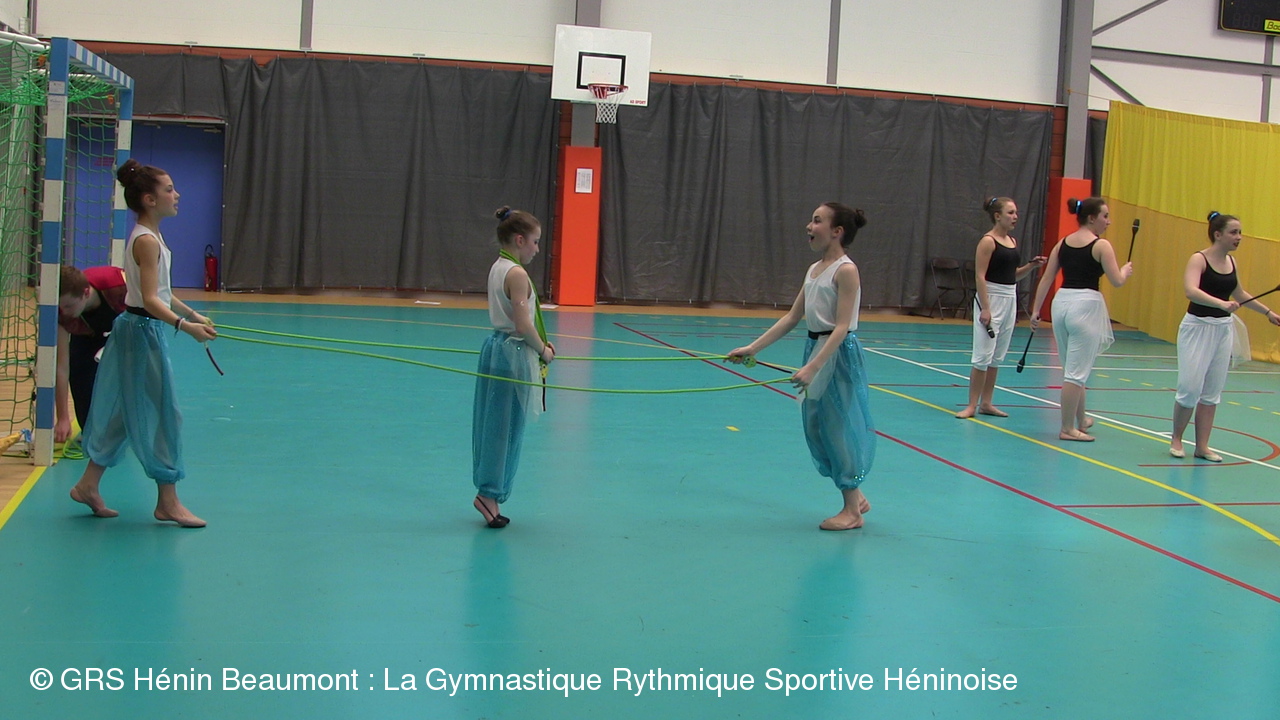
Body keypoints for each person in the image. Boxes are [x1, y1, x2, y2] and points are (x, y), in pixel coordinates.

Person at [67, 159, 217, 528]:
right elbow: (149, 300)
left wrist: (192, 314)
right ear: (149, 199)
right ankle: (168, 501)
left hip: (138, 330)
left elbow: (160, 291)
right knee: (164, 413)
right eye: (169, 189)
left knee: (123, 410)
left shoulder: (150, 236)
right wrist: (185, 326)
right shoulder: (146, 241)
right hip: (140, 331)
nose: (176, 195)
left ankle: (88, 484)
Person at [728, 203, 874, 531]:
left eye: (817, 221)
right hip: (816, 349)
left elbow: (841, 327)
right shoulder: (814, 270)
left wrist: (813, 367)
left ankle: (852, 510)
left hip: (837, 353)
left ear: (837, 231)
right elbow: (793, 317)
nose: (809, 225)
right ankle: (856, 494)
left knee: (836, 428)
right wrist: (753, 348)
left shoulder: (846, 270)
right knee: (816, 428)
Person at [1170, 212, 1280, 461]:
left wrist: (1268, 313)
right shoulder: (1198, 259)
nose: (1239, 237)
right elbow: (1190, 291)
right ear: (1217, 234)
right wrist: (1220, 303)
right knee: (1190, 387)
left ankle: (1202, 446)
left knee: (1212, 391)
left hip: (1222, 329)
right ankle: (1177, 438)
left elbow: (1239, 293)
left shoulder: (1232, 262)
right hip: (1197, 328)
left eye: (1240, 232)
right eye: (1234, 232)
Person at [472, 206, 554, 528]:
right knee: (503, 427)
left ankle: (491, 492)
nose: (537, 249)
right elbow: (522, 325)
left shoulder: (499, 266)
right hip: (511, 353)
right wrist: (543, 350)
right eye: (535, 242)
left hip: (497, 348)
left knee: (497, 423)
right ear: (520, 240)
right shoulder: (517, 273)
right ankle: (488, 493)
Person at [1030, 197, 1133, 442]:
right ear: (1091, 218)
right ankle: (1067, 428)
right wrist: (1125, 271)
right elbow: (1117, 281)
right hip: (1085, 305)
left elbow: (1046, 278)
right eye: (1105, 216)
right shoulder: (1102, 246)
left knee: (1073, 369)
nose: (1108, 221)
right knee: (1075, 374)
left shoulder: (1062, 243)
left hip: (1061, 303)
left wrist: (1035, 310)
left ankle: (1082, 419)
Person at [955, 197, 1046, 419]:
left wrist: (1031, 266)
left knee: (997, 356)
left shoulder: (1012, 241)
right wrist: (986, 308)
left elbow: (1012, 275)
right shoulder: (987, 241)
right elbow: (980, 276)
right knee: (982, 356)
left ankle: (987, 403)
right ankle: (971, 405)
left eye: (1016, 213)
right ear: (997, 216)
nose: (1015, 217)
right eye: (1010, 212)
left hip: (1009, 298)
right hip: (991, 298)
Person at [56, 265, 128, 443]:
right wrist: (63, 418)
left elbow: (155, 299)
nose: (65, 312)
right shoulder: (63, 314)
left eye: (69, 306)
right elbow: (62, 367)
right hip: (87, 332)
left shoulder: (118, 287)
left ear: (86, 293)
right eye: (61, 307)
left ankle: (127, 424)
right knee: (78, 369)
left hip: (123, 327)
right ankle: (89, 428)